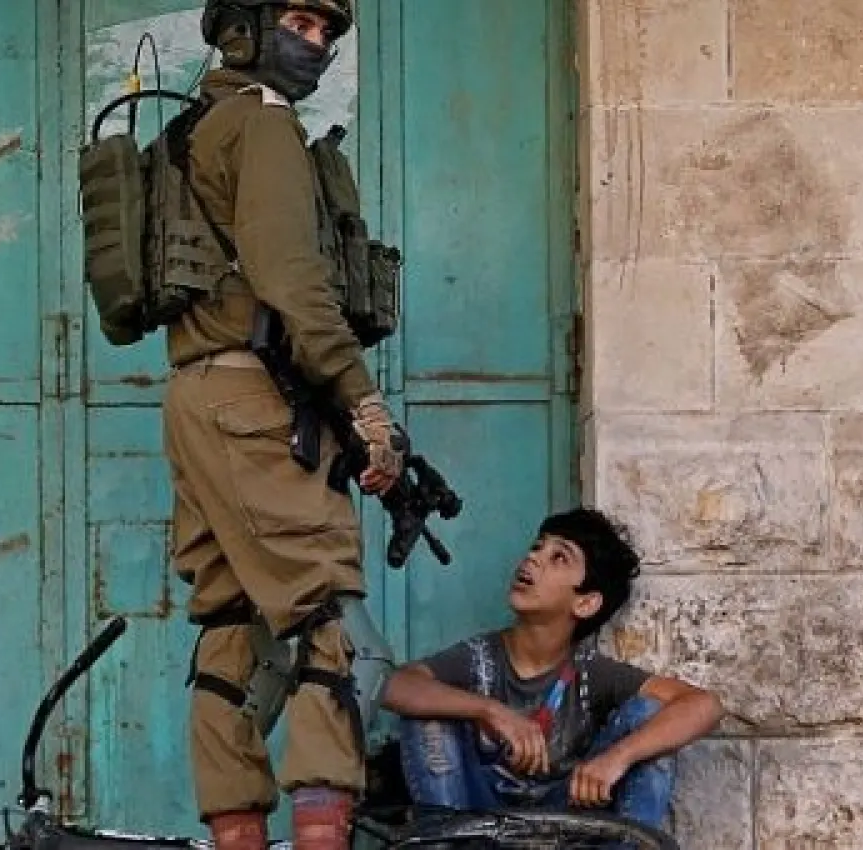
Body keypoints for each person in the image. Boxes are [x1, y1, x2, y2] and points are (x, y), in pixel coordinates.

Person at [162, 2, 400, 849]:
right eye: (300, 22)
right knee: (326, 633)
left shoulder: (193, 130)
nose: (319, 44)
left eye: (329, 32)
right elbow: (293, 281)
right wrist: (363, 403)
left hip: (199, 396)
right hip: (257, 400)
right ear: (246, 28)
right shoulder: (263, 126)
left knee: (231, 633)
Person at [379, 508, 725, 830]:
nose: (532, 558)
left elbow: (703, 705)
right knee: (426, 711)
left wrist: (617, 759)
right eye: (536, 548)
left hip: (564, 828)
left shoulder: (589, 674)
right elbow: (394, 685)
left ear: (586, 602)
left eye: (558, 557)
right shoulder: (480, 657)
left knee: (650, 718)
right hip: (473, 825)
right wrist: (489, 710)